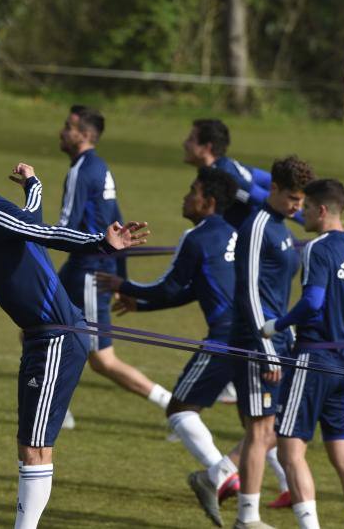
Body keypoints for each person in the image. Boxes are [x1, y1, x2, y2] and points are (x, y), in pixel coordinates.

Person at [0, 158, 149, 529]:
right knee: (29, 446)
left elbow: (42, 231)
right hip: (40, 338)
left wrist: (101, 242)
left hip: (56, 338)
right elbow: (29, 217)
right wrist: (34, 185)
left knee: (35, 448)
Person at [98, 168, 244, 519]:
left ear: (208, 202)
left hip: (226, 338)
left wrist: (123, 285)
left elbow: (167, 286)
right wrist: (141, 306)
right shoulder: (236, 234)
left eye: (192, 191)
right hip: (257, 336)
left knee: (179, 409)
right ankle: (278, 495)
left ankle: (219, 475)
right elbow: (193, 290)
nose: (185, 197)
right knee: (260, 421)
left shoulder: (196, 238)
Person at [54, 105, 171, 429]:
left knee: (102, 360)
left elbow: (64, 227)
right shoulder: (101, 167)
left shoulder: (81, 171)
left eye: (68, 127)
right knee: (35, 329)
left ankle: (174, 407)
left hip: (91, 273)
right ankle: (56, 410)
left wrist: (24, 234)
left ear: (84, 135)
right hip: (80, 268)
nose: (61, 132)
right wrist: (124, 280)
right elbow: (120, 227)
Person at [262, 179, 344, 529]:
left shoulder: (316, 249)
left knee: (290, 450)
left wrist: (277, 325)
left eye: (306, 208)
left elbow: (312, 303)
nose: (301, 213)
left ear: (322, 210)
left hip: (312, 360)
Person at [228, 156, 316, 529]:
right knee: (261, 430)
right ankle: (247, 518)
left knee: (271, 428)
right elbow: (249, 293)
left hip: (278, 342)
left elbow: (278, 297)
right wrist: (266, 352)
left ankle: (219, 476)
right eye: (292, 198)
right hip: (255, 343)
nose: (298, 206)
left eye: (302, 201)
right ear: (274, 189)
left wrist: (288, 338)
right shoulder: (258, 226)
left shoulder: (282, 227)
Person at [183, 118, 291, 229]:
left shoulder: (222, 176)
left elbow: (269, 199)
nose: (185, 143)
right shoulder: (227, 163)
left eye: (191, 139)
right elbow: (269, 180)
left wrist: (298, 211)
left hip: (259, 236)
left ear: (206, 147)